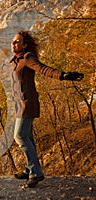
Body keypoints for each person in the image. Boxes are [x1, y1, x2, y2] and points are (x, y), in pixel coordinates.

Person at [9, 30, 84, 188]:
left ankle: (36, 173)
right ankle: (29, 169)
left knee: (20, 136)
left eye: (17, 41)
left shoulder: (27, 58)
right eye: (13, 41)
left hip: (27, 104)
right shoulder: (15, 61)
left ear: (25, 44)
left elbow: (44, 69)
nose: (13, 43)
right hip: (18, 104)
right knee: (28, 137)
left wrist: (63, 75)